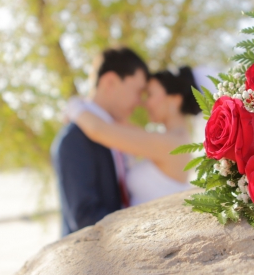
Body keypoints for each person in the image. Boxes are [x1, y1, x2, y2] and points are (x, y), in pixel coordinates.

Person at [66, 66, 202, 206]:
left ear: (175, 99)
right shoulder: (168, 139)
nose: (144, 103)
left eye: (149, 94)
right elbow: (119, 125)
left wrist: (73, 105)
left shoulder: (174, 143)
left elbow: (98, 130)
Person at [51, 47, 149, 236]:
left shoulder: (116, 132)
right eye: (137, 91)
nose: (139, 102)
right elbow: (85, 217)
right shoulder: (74, 139)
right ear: (110, 82)